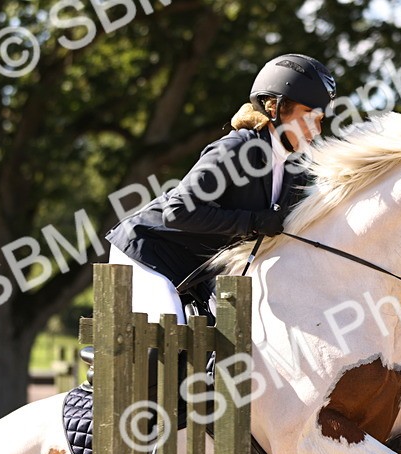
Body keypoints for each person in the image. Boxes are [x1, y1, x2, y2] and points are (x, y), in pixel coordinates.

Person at [105, 53, 337, 324]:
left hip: (194, 270)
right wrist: (252, 222)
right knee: (170, 336)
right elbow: (177, 212)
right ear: (275, 107)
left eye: (321, 119)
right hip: (147, 252)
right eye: (310, 115)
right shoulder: (236, 150)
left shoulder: (289, 171)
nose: (318, 130)